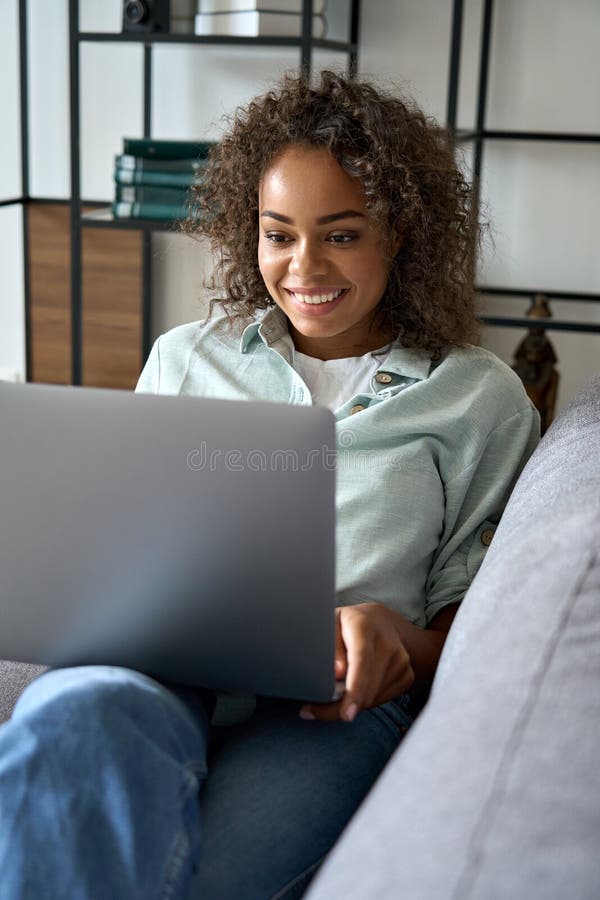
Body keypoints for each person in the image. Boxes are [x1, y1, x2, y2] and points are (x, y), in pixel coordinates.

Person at [0, 70, 539, 900]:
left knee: (206, 875)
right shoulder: (185, 357)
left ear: (401, 232)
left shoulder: (477, 398)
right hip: (159, 664)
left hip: (328, 708)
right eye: (278, 233)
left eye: (343, 235)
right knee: (66, 727)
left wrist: (397, 644)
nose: (304, 267)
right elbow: (119, 542)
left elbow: (473, 621)